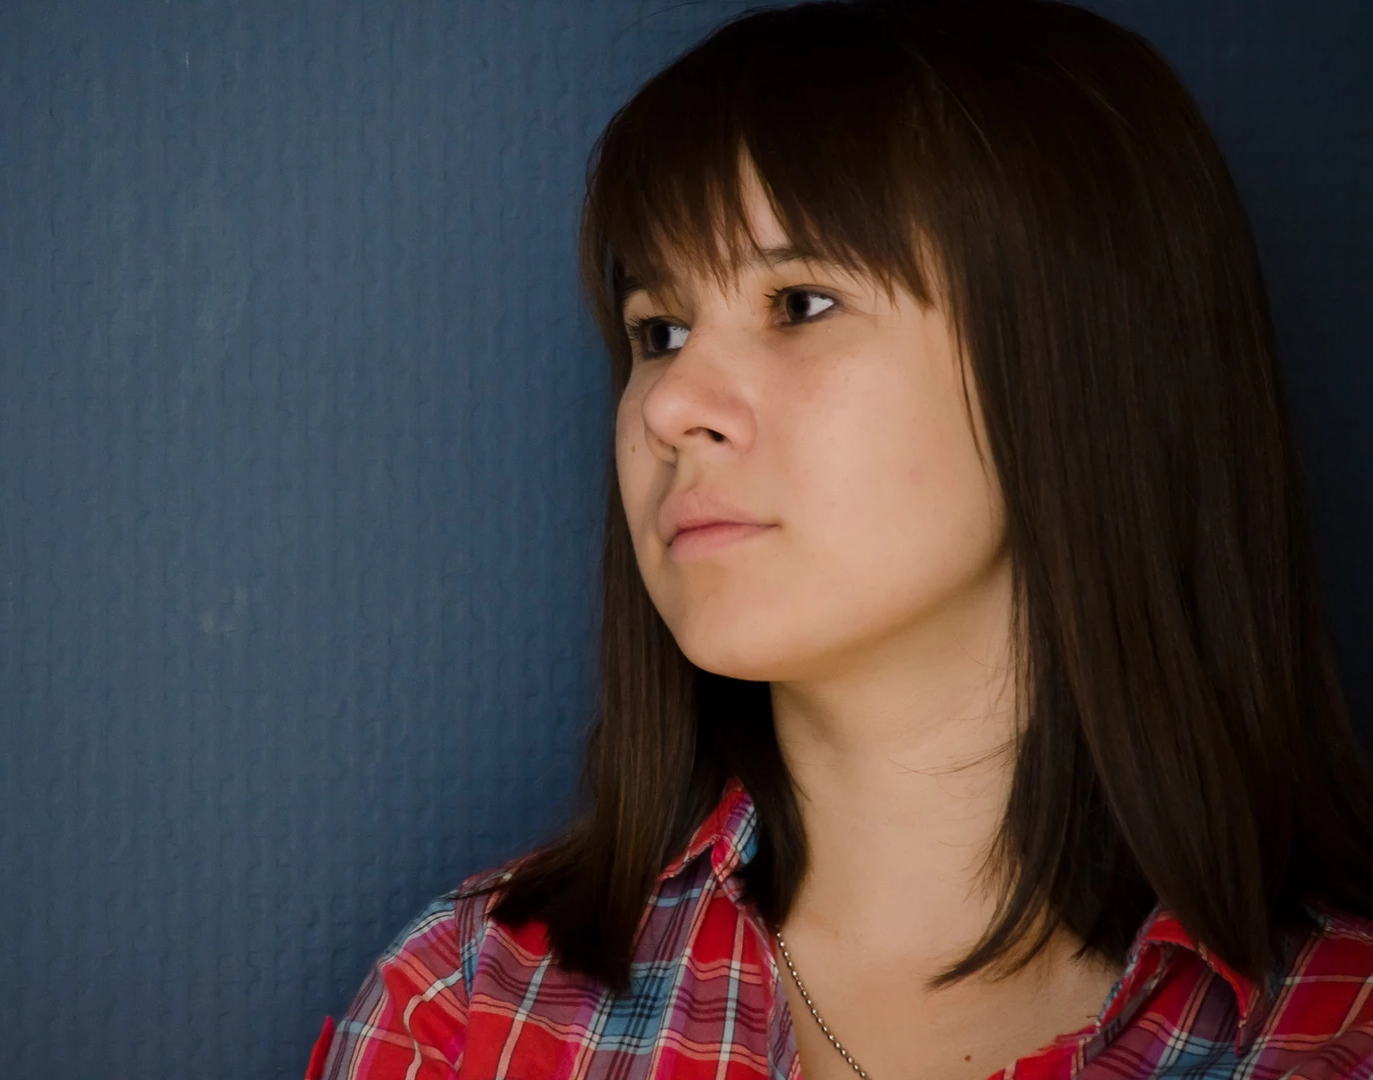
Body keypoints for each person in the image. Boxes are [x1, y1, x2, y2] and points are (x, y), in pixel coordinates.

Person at [306, 0, 1373, 1077]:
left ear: (1081, 362)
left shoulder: (1341, 1031)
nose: (669, 404)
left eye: (801, 303)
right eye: (657, 331)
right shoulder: (464, 1012)